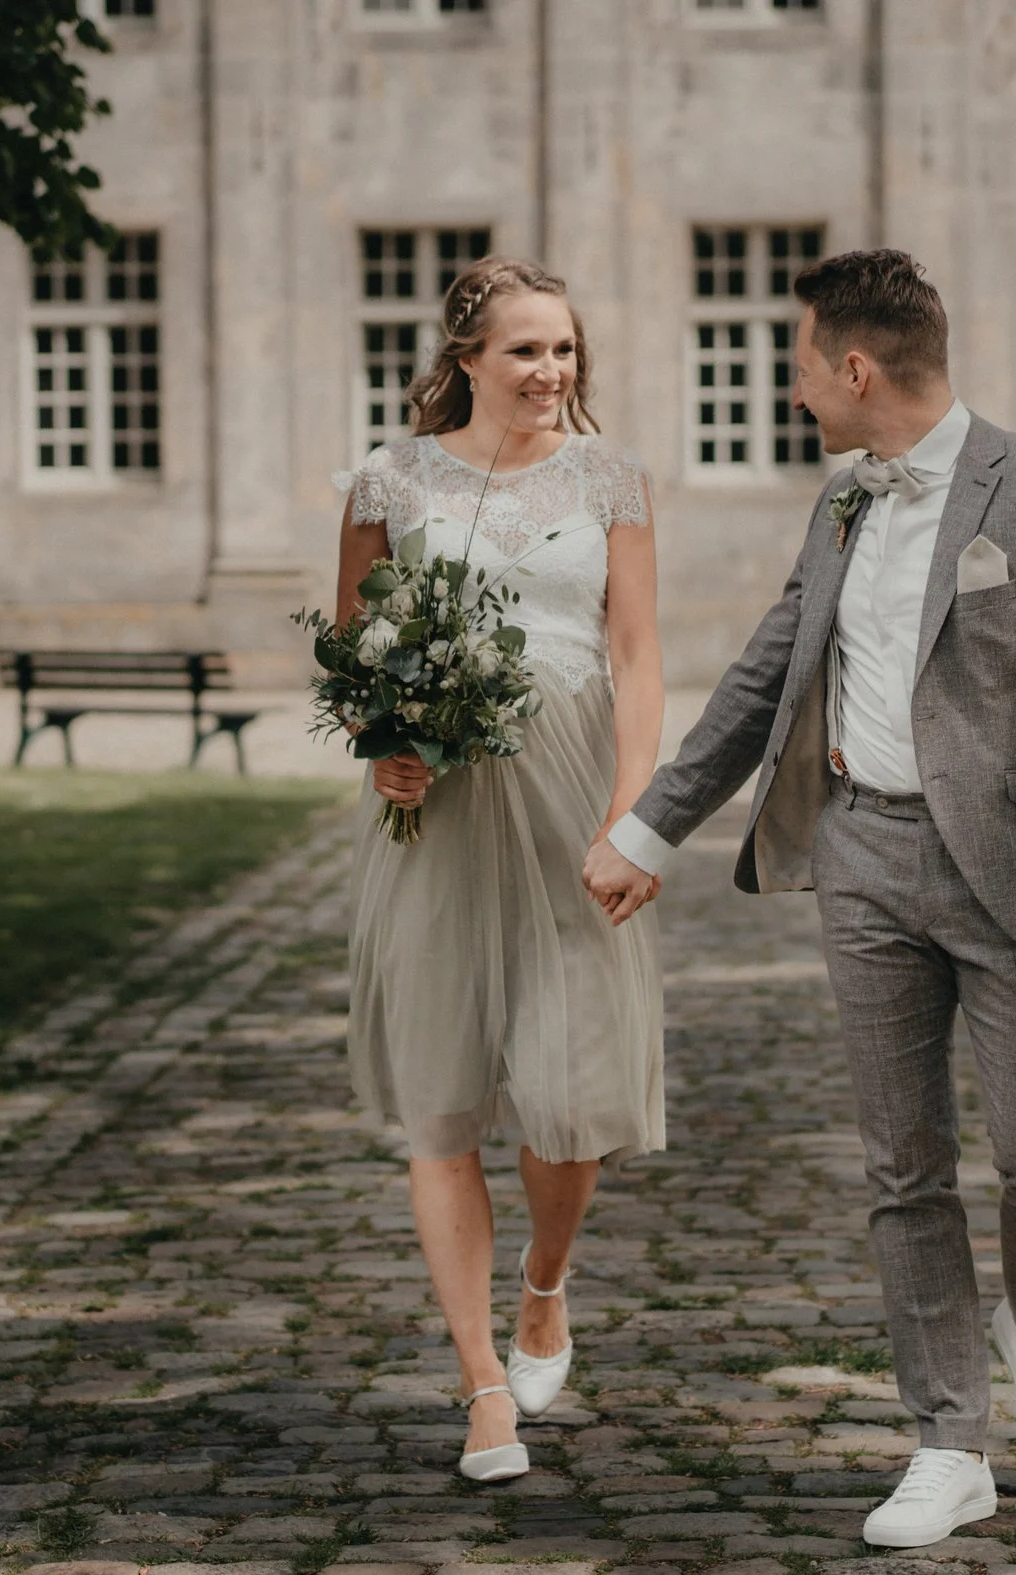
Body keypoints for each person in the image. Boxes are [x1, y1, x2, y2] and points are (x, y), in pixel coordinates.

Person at [582, 248, 1016, 1547]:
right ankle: (949, 1438)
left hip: (1013, 879)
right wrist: (651, 825)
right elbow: (765, 671)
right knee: (904, 1168)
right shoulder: (839, 505)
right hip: (864, 861)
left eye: (798, 366)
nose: (792, 392)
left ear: (855, 367)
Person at [338, 255, 666, 1483]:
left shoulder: (612, 478)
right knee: (441, 1099)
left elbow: (637, 658)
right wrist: (385, 752)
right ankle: (482, 1384)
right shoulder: (388, 480)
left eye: (565, 350)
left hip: (575, 794)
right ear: (466, 358)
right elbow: (356, 649)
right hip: (441, 814)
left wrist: (633, 809)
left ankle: (544, 1286)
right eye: (526, 349)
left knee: (567, 1094)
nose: (550, 372)